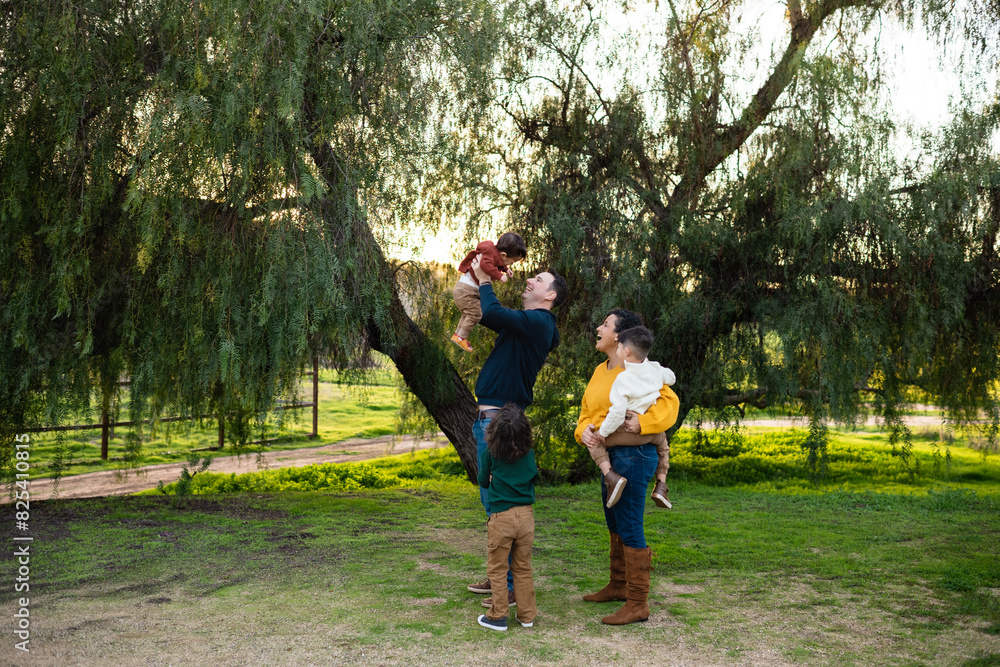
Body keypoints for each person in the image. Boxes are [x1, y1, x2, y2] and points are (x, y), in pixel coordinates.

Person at [465, 258, 567, 608]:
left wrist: (483, 278)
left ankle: (506, 585)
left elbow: (492, 313)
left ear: (550, 295)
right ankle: (500, 576)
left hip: (497, 421)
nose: (529, 280)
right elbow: (492, 316)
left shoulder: (539, 321)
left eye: (537, 280)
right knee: (494, 502)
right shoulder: (530, 325)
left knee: (496, 502)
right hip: (495, 418)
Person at [575, 309, 679, 626]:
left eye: (605, 325)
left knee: (630, 522)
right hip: (609, 454)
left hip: (634, 455)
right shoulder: (599, 371)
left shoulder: (641, 371)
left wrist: (642, 423)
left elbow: (670, 406)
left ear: (620, 338)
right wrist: (584, 433)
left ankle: (637, 603)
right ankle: (619, 585)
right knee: (614, 519)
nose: (598, 328)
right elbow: (585, 412)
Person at [590, 325, 676, 510]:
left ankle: (610, 476)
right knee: (663, 446)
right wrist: (657, 374)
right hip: (650, 431)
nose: (617, 351)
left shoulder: (623, 378)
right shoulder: (654, 368)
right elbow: (671, 377)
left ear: (626, 351)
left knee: (593, 440)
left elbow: (617, 412)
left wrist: (603, 431)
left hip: (627, 430)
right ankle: (661, 485)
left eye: (619, 348)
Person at [476, 404, 539, 632]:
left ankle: (498, 616)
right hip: (526, 517)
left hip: (501, 517)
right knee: (523, 567)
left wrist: (493, 477)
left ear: (494, 432)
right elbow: (533, 476)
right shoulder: (529, 454)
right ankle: (527, 616)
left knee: (498, 568)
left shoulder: (491, 454)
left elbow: (483, 481)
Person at [451, 232, 528, 352]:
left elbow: (498, 263)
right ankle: (461, 337)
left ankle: (458, 335)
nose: (511, 264)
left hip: (465, 290)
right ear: (503, 254)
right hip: (466, 290)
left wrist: (506, 269)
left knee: (469, 314)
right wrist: (499, 275)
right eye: (512, 262)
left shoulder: (494, 255)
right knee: (476, 314)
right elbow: (485, 265)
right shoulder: (489, 255)